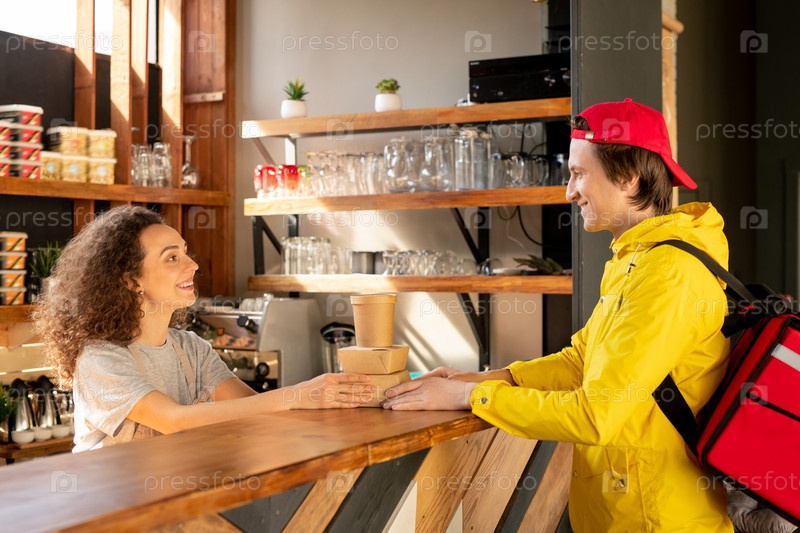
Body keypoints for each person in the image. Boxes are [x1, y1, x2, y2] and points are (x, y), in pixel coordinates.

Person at [383, 99, 734, 532]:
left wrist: (470, 398)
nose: (569, 192)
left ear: (629, 177)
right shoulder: (638, 260)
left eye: (579, 174)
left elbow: (595, 415)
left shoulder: (668, 273)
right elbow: (579, 361)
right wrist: (483, 379)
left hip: (659, 522)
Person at [33, 206, 375, 452]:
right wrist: (298, 395)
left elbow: (256, 411)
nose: (193, 265)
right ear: (131, 280)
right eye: (172, 258)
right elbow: (174, 420)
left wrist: (342, 400)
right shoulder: (100, 359)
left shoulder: (190, 349)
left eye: (186, 253)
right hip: (111, 512)